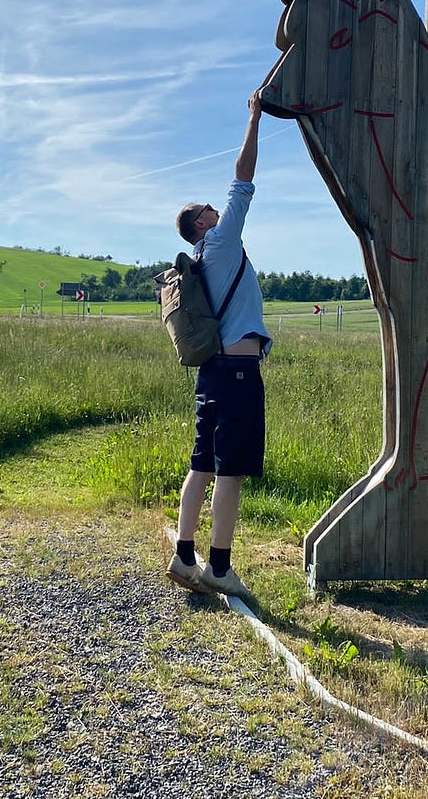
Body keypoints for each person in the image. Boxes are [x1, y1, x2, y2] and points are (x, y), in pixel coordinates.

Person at [167, 94, 270, 600]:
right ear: (202, 223)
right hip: (238, 374)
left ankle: (184, 557)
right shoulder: (223, 240)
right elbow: (243, 178)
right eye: (208, 208)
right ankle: (220, 568)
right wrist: (254, 117)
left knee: (201, 464)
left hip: (211, 372)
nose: (216, 207)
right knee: (231, 472)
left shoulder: (203, 260)